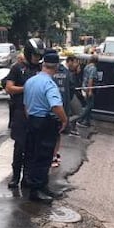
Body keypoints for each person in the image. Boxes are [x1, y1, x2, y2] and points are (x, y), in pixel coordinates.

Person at [23, 50, 69, 203]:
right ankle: (36, 192)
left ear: (43, 65)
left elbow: (26, 105)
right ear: (56, 68)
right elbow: (56, 106)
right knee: (43, 157)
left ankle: (41, 186)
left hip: (32, 121)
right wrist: (64, 120)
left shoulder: (30, 81)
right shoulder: (50, 84)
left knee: (32, 155)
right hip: (45, 123)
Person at [4, 39, 43, 188]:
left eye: (39, 56)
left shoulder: (40, 69)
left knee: (32, 147)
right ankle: (15, 176)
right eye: (34, 55)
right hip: (20, 111)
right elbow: (9, 88)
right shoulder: (17, 68)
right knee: (19, 146)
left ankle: (27, 176)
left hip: (35, 112)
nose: (37, 58)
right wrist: (26, 88)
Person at [76, 54, 98, 129]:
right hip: (88, 88)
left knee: (88, 104)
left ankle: (87, 121)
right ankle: (79, 119)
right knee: (89, 105)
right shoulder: (93, 68)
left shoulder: (87, 67)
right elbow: (90, 79)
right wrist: (90, 90)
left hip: (84, 87)